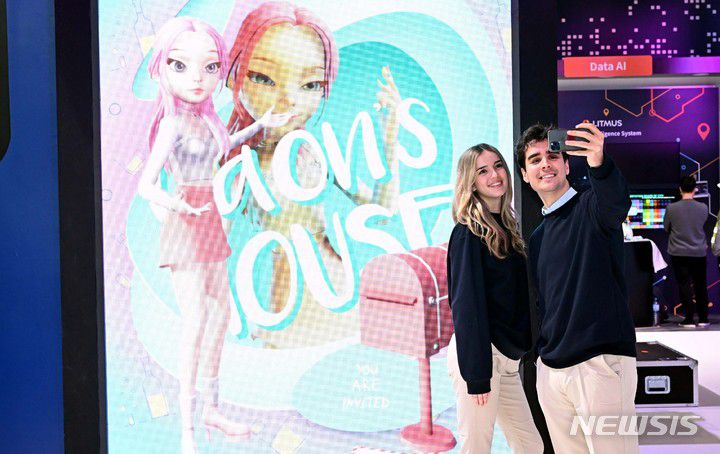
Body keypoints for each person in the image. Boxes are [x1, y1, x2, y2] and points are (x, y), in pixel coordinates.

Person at [137, 17, 289, 453]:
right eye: (180, 65)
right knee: (196, 320)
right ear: (163, 68)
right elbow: (147, 184)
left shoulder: (204, 119)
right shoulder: (171, 123)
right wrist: (175, 206)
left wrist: (260, 124)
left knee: (221, 313)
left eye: (210, 67)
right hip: (186, 219)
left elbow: (224, 145)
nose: (198, 78)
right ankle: (186, 428)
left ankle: (212, 408)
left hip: (209, 218)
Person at [223, 1, 401, 348]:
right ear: (235, 76)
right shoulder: (238, 162)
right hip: (285, 303)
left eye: (310, 84)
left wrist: (390, 135)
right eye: (264, 78)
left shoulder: (314, 154)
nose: (289, 99)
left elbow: (382, 211)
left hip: (338, 292)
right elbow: (215, 250)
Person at [517, 123, 638, 453]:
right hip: (552, 372)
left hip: (600, 364)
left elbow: (616, 203)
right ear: (525, 175)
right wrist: (542, 362)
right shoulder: (538, 238)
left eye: (552, 155)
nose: (545, 164)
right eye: (535, 159)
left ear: (567, 164)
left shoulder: (592, 206)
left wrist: (599, 161)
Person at [446, 144, 543, 453]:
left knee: (531, 446)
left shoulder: (505, 227)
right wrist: (477, 376)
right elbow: (466, 307)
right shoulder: (468, 233)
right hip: (480, 358)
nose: (495, 175)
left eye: (498, 165)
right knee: (477, 447)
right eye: (482, 171)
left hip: (507, 360)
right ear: (471, 182)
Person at [664, 175, 710, 328]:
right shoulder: (703, 208)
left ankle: (689, 319)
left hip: (679, 253)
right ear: (695, 189)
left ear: (680, 189)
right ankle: (703, 319)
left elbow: (666, 228)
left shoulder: (671, 208)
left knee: (684, 285)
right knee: (700, 284)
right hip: (699, 252)